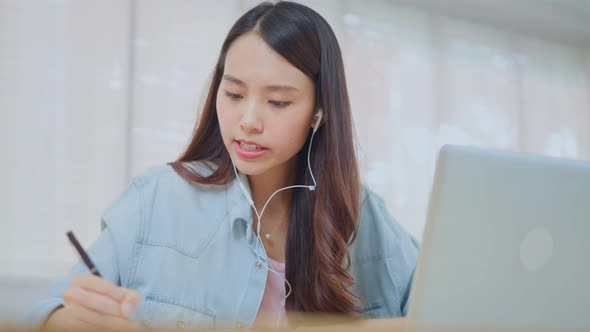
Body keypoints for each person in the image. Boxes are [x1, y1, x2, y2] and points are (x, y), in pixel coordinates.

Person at [25, 1, 419, 330]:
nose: (248, 120)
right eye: (233, 93)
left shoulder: (363, 215)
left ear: (320, 110)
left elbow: (452, 310)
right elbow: (42, 314)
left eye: (277, 102)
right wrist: (69, 319)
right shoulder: (158, 197)